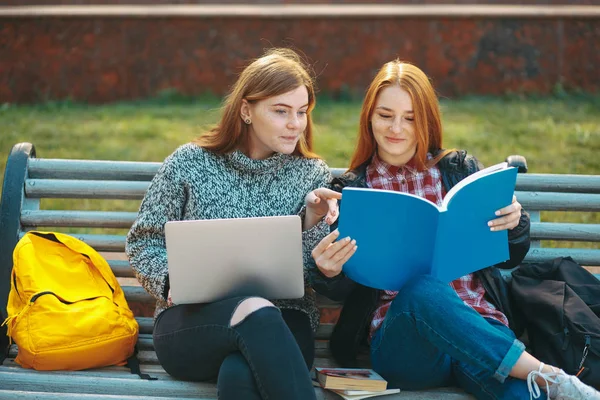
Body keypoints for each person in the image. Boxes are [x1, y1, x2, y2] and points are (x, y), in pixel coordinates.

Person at [307, 60, 600, 400]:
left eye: (411, 118)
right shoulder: (352, 190)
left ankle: (548, 385)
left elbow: (509, 258)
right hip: (408, 346)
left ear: (427, 120)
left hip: (479, 329)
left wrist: (514, 222)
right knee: (421, 290)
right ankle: (546, 374)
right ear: (369, 118)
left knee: (523, 396)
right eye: (385, 115)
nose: (396, 128)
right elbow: (343, 286)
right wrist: (327, 271)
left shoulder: (458, 171)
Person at [126, 48, 340, 400]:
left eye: (302, 112)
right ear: (246, 110)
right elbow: (143, 242)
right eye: (281, 111)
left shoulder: (311, 175)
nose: (296, 124)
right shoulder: (189, 163)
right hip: (192, 322)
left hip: (286, 324)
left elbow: (305, 275)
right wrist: (169, 280)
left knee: (239, 376)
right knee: (255, 309)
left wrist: (308, 224)